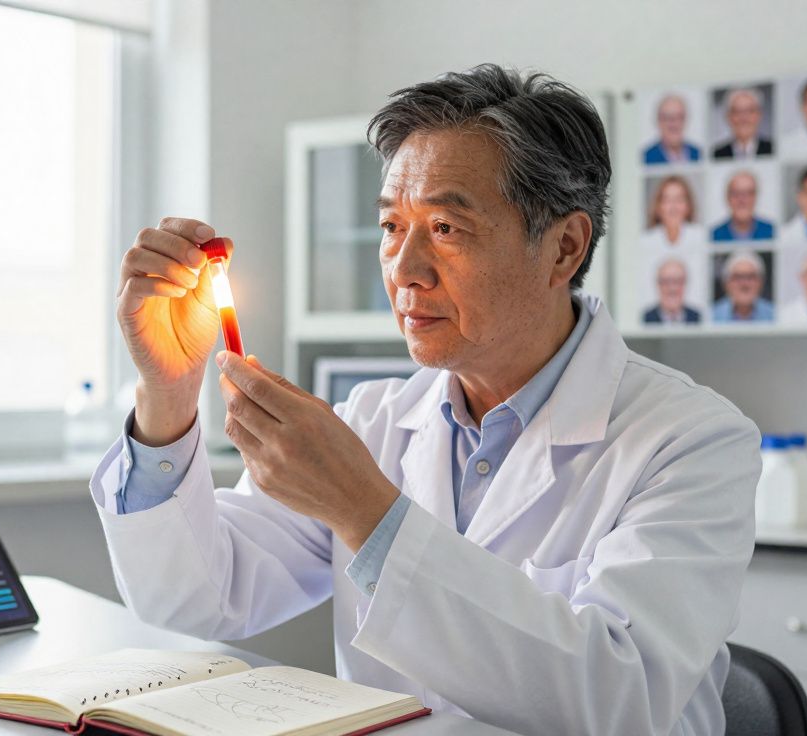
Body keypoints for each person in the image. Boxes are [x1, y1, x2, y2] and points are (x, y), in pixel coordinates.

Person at [97, 65, 760, 736]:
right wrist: (168, 394)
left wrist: (365, 510)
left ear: (564, 248)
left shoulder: (691, 440)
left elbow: (619, 699)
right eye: (391, 226)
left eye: (445, 227)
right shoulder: (376, 421)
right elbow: (199, 598)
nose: (405, 269)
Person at [640, 174, 707, 249]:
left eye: (679, 199)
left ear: (688, 206)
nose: (673, 206)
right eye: (667, 200)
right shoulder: (646, 241)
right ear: (658, 207)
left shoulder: (702, 237)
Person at [712, 170, 775, 241]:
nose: (742, 200)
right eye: (736, 193)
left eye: (748, 193)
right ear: (727, 198)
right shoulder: (713, 236)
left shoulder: (772, 232)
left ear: (756, 197)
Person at [713, 250, 774, 322]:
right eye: (738, 277)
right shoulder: (711, 317)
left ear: (761, 282)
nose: (744, 284)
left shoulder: (776, 316)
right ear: (726, 283)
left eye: (750, 277)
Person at [713, 88, 774, 159]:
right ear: (728, 117)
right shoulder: (716, 154)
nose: (743, 118)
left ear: (759, 115)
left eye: (750, 111)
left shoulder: (773, 148)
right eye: (737, 111)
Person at [644, 94, 702, 164]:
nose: (674, 124)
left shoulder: (698, 154)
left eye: (679, 117)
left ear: (685, 120)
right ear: (658, 121)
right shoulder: (646, 157)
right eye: (668, 118)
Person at [643, 258, 702, 324]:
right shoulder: (647, 318)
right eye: (666, 281)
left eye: (677, 281)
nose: (672, 288)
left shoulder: (696, 318)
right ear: (658, 285)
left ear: (685, 284)